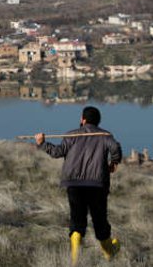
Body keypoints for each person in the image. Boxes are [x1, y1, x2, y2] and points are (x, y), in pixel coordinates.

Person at [35, 106, 122, 265]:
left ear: (83, 119)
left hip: (73, 183)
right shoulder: (104, 135)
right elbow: (115, 147)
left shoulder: (71, 135)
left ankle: (75, 261)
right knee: (99, 219)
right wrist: (114, 162)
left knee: (77, 219)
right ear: (98, 121)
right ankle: (109, 252)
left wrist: (42, 143)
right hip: (97, 185)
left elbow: (57, 152)